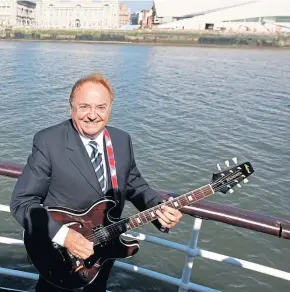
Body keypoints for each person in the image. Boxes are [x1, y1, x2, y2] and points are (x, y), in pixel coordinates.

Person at [10, 73, 182, 292]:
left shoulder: (121, 140)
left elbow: (134, 183)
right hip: (59, 254)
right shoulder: (49, 141)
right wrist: (64, 236)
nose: (92, 115)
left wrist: (160, 209)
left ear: (110, 108)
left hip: (104, 250)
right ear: (71, 107)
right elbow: (22, 202)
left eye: (101, 107)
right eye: (84, 107)